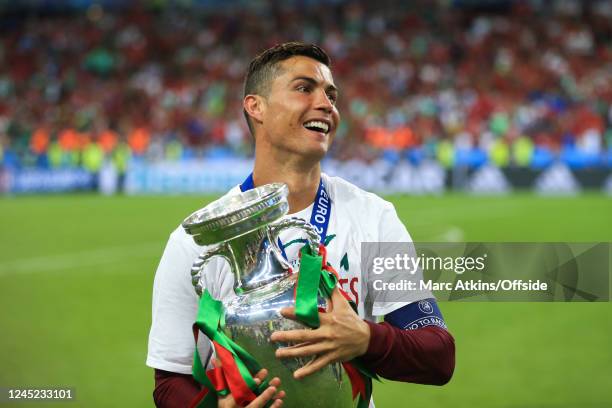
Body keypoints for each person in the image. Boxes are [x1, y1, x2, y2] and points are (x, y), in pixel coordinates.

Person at [147, 42, 455, 408]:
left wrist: (365, 339)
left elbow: (438, 354)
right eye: (304, 88)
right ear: (255, 106)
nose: (327, 104)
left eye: (331, 94)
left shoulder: (373, 217)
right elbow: (170, 381)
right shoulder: (197, 239)